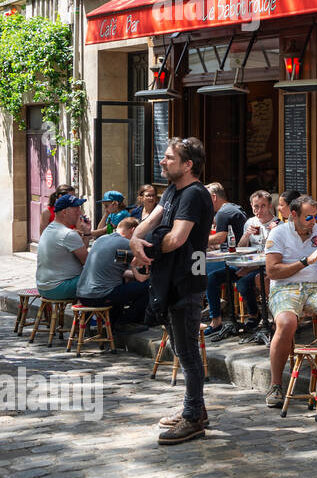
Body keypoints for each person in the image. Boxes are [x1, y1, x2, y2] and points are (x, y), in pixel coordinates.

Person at [131, 137, 215, 445]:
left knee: (188, 353)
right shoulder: (171, 191)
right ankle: (196, 409)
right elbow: (150, 220)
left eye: (169, 158)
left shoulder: (194, 194)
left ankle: (193, 419)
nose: (163, 162)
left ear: (188, 164)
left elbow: (177, 238)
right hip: (170, 279)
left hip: (187, 280)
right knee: (182, 349)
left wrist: (148, 250)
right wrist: (135, 240)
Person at [262, 195, 317, 407]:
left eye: (316, 216)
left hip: (315, 288)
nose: (313, 221)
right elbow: (272, 271)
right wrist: (305, 261)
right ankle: (275, 385)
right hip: (285, 288)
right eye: (308, 217)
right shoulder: (279, 232)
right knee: (287, 323)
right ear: (293, 215)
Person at [76, 215, 150, 326]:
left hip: (83, 295)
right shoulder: (127, 244)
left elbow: (116, 270)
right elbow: (140, 277)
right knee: (148, 287)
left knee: (121, 287)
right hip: (100, 296)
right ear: (133, 230)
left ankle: (114, 321)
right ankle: (125, 323)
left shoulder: (102, 239)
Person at [203, 182, 249, 338]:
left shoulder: (223, 213)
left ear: (214, 197)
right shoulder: (234, 208)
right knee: (201, 269)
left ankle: (214, 318)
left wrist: (198, 240)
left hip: (238, 263)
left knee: (202, 272)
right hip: (238, 259)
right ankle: (213, 304)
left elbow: (220, 237)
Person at [233, 190, 278, 329]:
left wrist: (274, 233)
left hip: (269, 267)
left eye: (263, 206)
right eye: (255, 206)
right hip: (253, 264)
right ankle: (254, 315)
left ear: (270, 206)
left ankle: (266, 319)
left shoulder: (277, 224)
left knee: (245, 282)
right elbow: (240, 248)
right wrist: (246, 235)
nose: (259, 210)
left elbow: (277, 253)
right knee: (235, 280)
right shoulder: (250, 223)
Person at [37, 193, 92, 300]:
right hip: (59, 288)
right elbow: (87, 261)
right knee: (103, 277)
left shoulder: (51, 228)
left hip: (44, 287)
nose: (80, 213)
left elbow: (81, 252)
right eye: (76, 210)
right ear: (65, 212)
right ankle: (94, 316)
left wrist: (86, 233)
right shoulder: (68, 234)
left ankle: (88, 315)